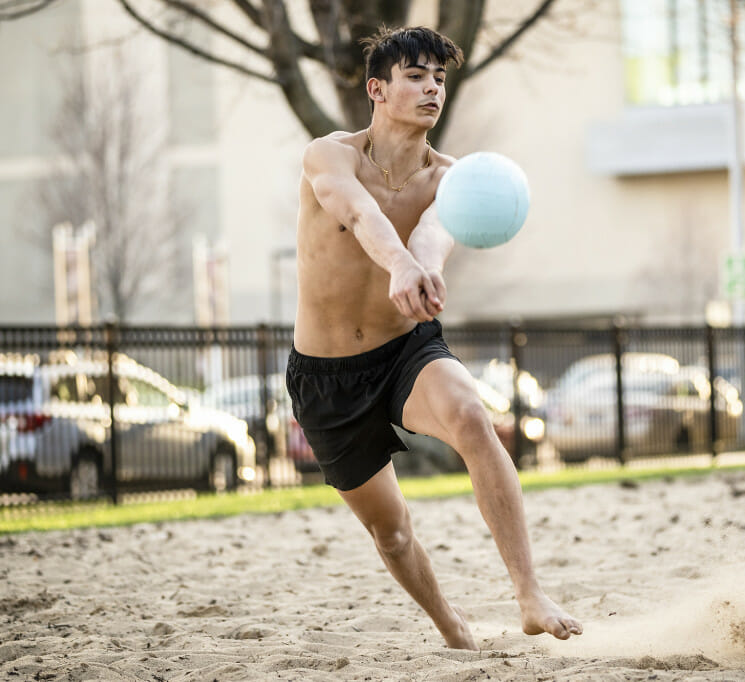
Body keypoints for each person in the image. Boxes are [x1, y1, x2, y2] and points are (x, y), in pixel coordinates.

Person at [285, 26, 582, 650]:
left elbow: (432, 237)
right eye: (416, 76)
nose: (431, 89)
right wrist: (398, 264)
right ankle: (452, 626)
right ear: (378, 88)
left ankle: (529, 594)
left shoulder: (453, 177)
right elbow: (361, 213)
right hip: (326, 375)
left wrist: (423, 267)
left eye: (439, 79)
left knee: (473, 416)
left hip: (404, 352)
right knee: (391, 532)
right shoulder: (329, 156)